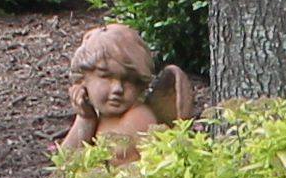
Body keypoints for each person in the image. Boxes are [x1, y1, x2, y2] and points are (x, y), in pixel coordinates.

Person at [59, 23, 198, 160]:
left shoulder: (139, 119)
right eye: (106, 76)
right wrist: (85, 119)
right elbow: (64, 163)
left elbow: (115, 168)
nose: (118, 89)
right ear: (83, 79)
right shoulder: (99, 116)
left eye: (128, 80)